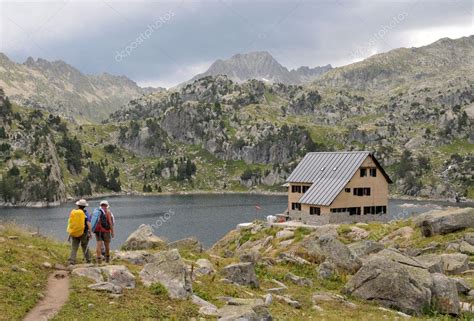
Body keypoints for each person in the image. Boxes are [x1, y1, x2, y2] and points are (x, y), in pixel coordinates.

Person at [67, 199, 92, 265]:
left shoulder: (74, 212)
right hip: (84, 232)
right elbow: (88, 223)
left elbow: (70, 222)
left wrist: (70, 231)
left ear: (78, 205)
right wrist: (90, 232)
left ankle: (72, 260)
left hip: (74, 232)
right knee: (84, 246)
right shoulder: (86, 213)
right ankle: (88, 260)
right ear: (85, 206)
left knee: (74, 246)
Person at [95, 200, 114, 264]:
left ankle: (99, 261)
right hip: (106, 231)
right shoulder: (108, 212)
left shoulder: (97, 212)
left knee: (98, 245)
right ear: (107, 206)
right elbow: (110, 223)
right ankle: (107, 260)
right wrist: (112, 232)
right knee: (107, 245)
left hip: (98, 231)